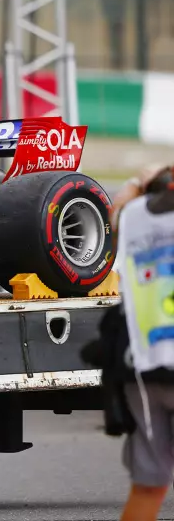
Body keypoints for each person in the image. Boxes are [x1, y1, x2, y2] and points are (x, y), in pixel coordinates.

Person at [106, 163, 174, 521]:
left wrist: (138, 180)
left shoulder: (134, 221)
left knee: (149, 485)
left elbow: (119, 205)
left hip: (143, 366)